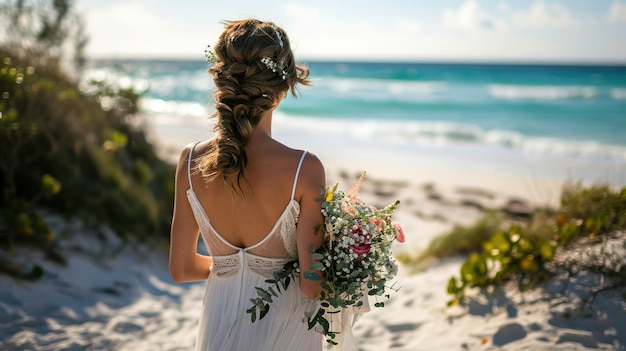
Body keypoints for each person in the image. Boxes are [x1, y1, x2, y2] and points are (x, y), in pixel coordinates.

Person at [168, 19, 326, 350]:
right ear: (282, 89)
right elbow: (313, 285)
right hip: (284, 330)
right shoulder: (303, 169)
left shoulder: (189, 161)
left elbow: (181, 269)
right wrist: (356, 264)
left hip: (218, 324)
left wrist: (232, 269)